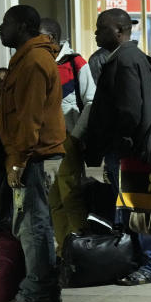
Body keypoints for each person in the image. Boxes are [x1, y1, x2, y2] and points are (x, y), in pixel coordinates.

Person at [84, 8, 151, 286]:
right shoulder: (126, 57)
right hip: (130, 148)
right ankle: (142, 261)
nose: (95, 33)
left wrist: (120, 142)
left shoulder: (127, 60)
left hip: (132, 150)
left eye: (100, 28)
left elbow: (130, 110)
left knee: (140, 206)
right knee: (133, 207)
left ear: (118, 30)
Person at [0, 5, 66, 302]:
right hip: (30, 156)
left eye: (6, 23)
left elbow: (30, 117)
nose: (0, 28)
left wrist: (18, 161)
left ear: (22, 26)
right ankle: (44, 292)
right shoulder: (28, 57)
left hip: (33, 157)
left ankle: (36, 295)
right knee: (35, 224)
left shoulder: (34, 60)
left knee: (32, 226)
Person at [43, 17, 96, 252]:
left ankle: (79, 248)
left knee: (71, 196)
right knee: (54, 200)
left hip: (68, 140)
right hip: (45, 144)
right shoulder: (37, 63)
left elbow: (91, 101)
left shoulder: (75, 63)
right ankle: (64, 248)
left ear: (52, 38)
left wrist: (76, 136)